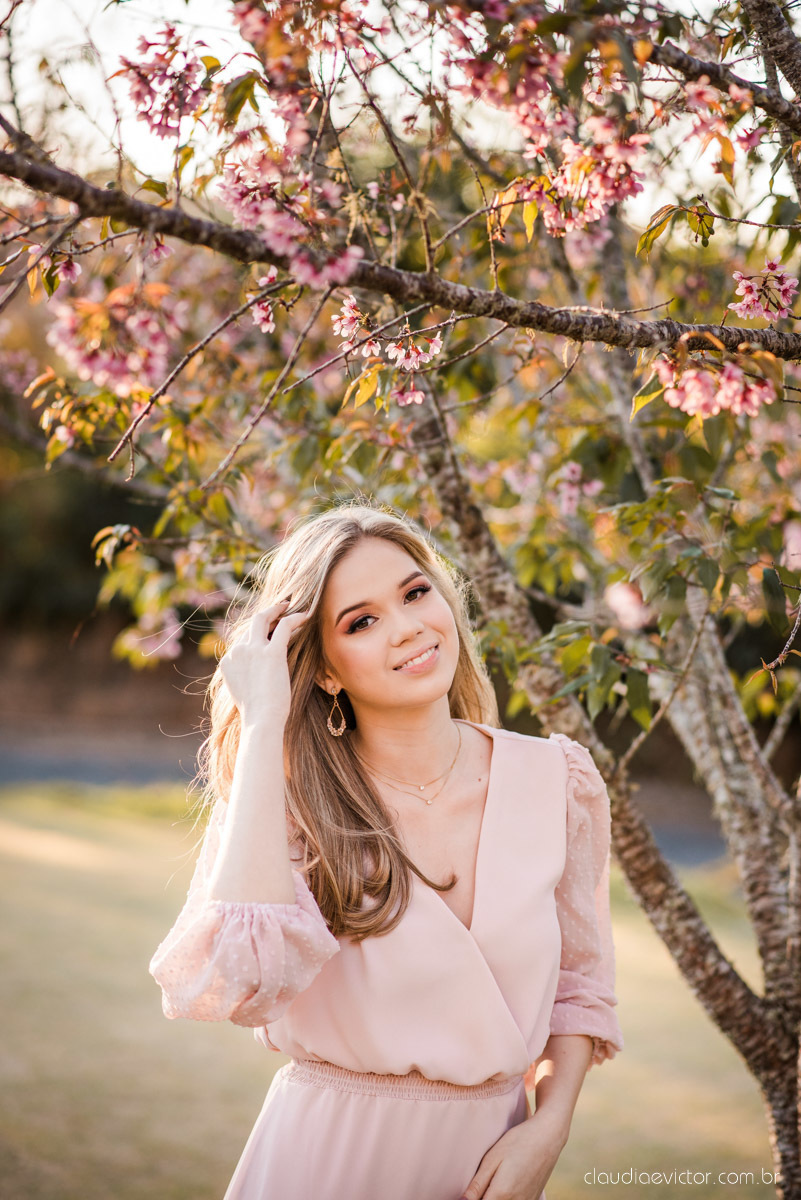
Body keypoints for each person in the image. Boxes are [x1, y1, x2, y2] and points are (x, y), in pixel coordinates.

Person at [149, 500, 623, 1200]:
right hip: (322, 1164)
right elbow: (241, 982)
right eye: (361, 622)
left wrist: (549, 1128)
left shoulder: (558, 781)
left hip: (494, 1167)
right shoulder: (289, 803)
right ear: (325, 671)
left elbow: (578, 988)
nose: (407, 628)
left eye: (415, 593)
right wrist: (264, 722)